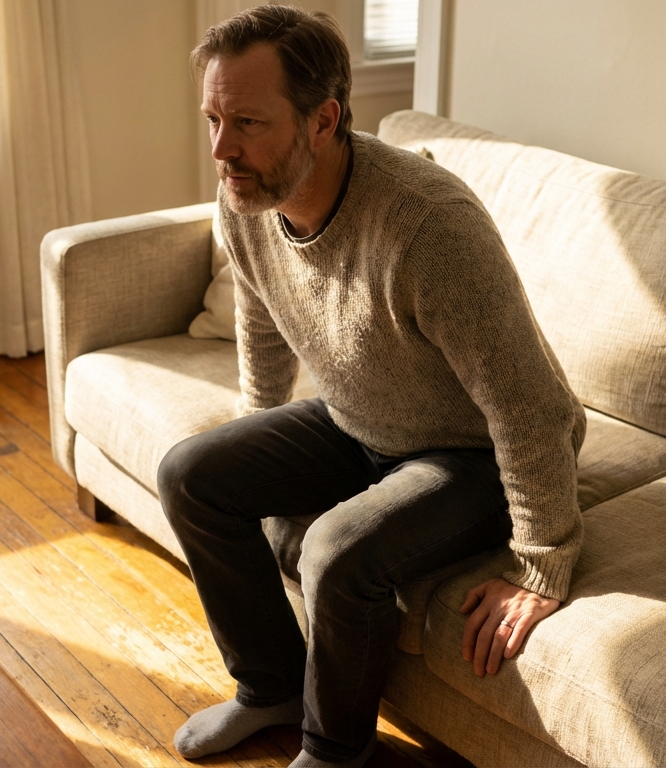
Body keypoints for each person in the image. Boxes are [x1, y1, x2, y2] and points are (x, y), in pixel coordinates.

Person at [158, 6, 586, 767]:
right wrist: (259, 436)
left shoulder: (429, 226)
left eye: (248, 122)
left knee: (333, 550)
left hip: (472, 451)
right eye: (213, 120)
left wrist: (542, 564)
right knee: (192, 475)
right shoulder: (246, 197)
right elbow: (263, 316)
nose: (222, 149)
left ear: (323, 120)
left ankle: (334, 752)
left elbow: (531, 408)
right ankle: (269, 689)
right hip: (359, 417)